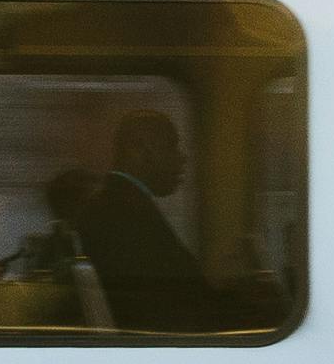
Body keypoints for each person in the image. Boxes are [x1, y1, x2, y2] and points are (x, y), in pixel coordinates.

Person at [58, 109, 218, 333]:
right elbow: (176, 300)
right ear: (138, 148)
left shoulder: (115, 205)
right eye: (171, 146)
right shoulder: (124, 215)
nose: (182, 158)